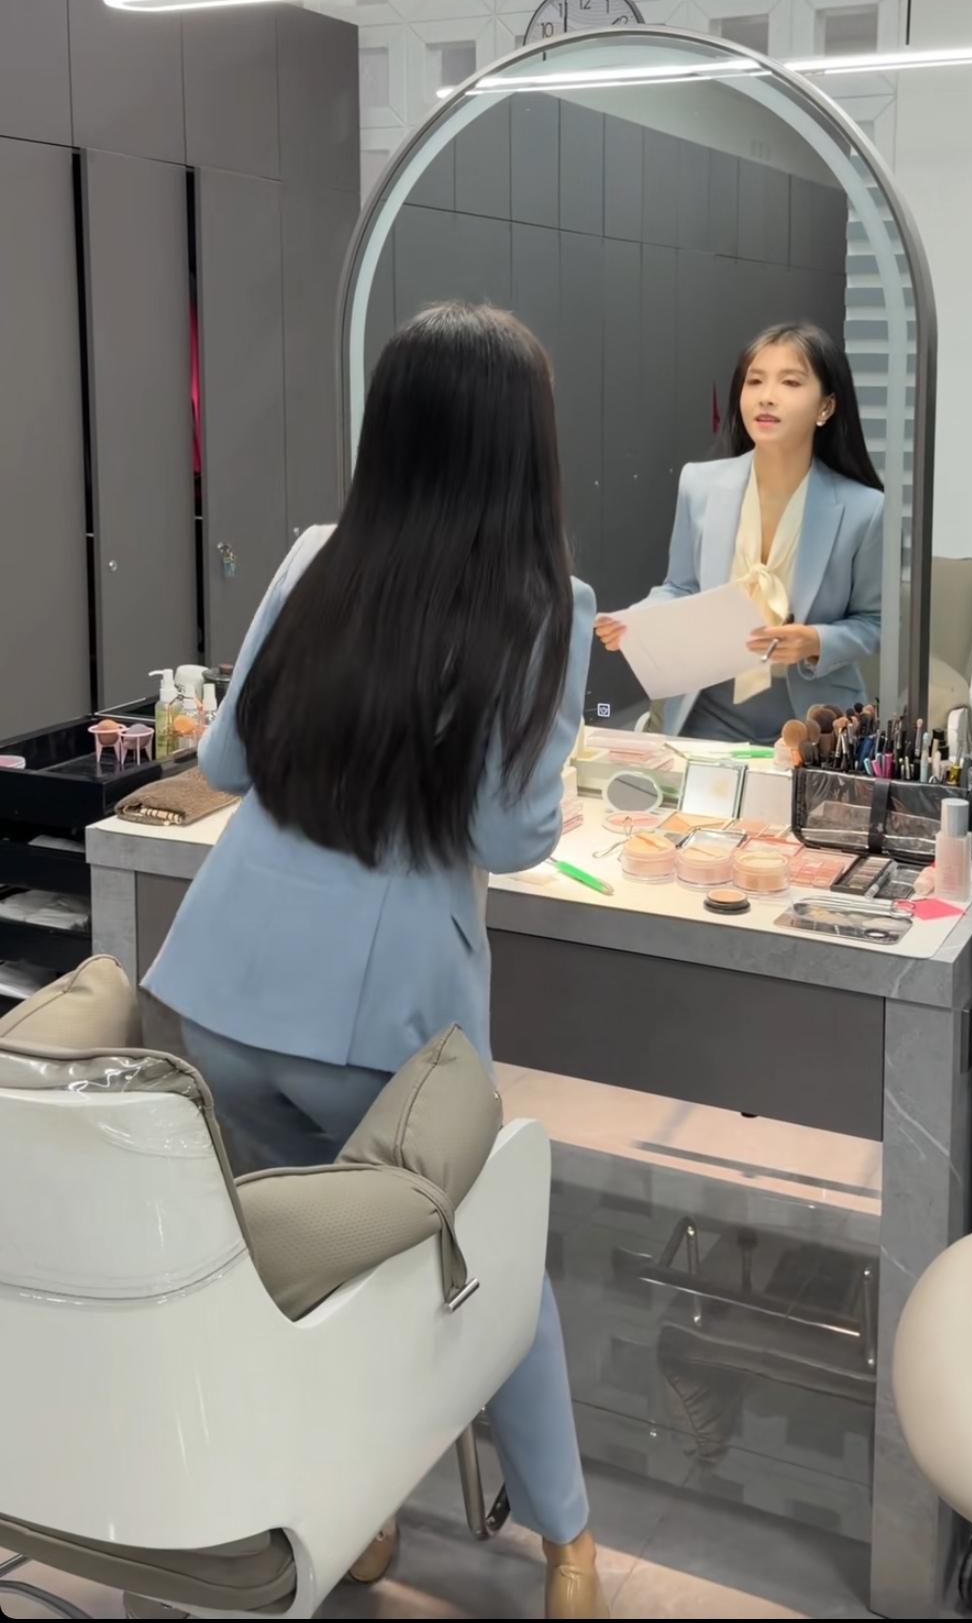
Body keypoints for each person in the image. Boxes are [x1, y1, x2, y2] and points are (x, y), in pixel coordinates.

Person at [143, 304, 606, 1621]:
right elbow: (510, 836)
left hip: (228, 986)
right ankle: (568, 1545)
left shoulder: (313, 557)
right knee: (485, 1258)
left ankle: (349, 1513)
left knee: (304, 1259)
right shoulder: (545, 607)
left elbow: (225, 760)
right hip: (382, 1023)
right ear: (524, 447)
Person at [595, 322, 884, 742]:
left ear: (826, 406)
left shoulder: (864, 508)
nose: (767, 396)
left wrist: (816, 640)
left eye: (790, 382)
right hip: (707, 712)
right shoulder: (699, 485)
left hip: (813, 723)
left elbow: (874, 623)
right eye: (755, 381)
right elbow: (680, 587)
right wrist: (637, 622)